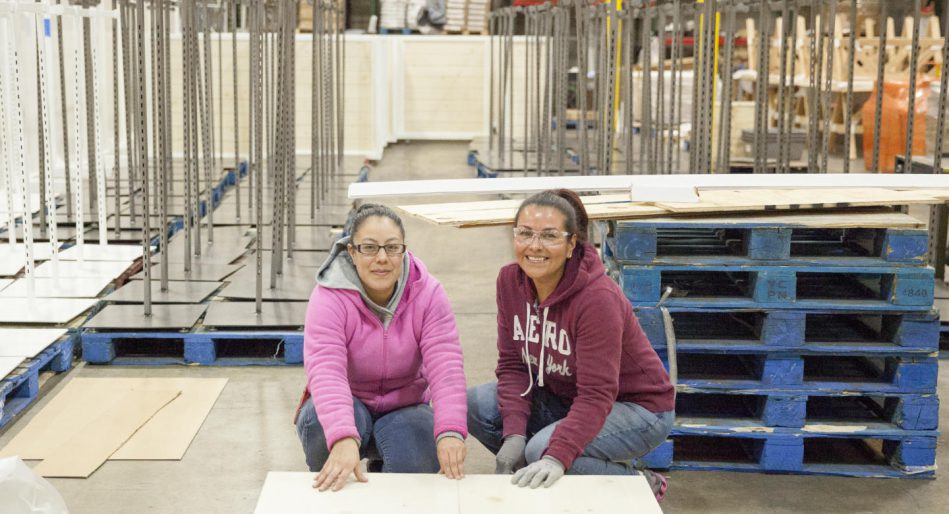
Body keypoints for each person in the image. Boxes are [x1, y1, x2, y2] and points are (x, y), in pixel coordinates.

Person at [467, 189, 675, 501]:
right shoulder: (510, 281)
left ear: (571, 244)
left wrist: (557, 454)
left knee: (544, 451)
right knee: (475, 405)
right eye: (525, 233)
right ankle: (557, 468)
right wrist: (513, 433)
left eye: (549, 236)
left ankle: (638, 483)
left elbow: (597, 394)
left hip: (638, 409)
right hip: (565, 395)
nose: (534, 246)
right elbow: (513, 366)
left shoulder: (597, 299)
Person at [295, 203, 468, 492]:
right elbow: (325, 369)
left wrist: (450, 430)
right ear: (351, 251)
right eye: (369, 248)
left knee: (416, 462)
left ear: (404, 251)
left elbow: (446, 363)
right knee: (317, 424)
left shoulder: (428, 293)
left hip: (407, 404)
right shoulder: (329, 297)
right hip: (351, 400)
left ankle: (384, 464)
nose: (382, 258)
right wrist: (342, 436)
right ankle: (334, 475)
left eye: (392, 247)